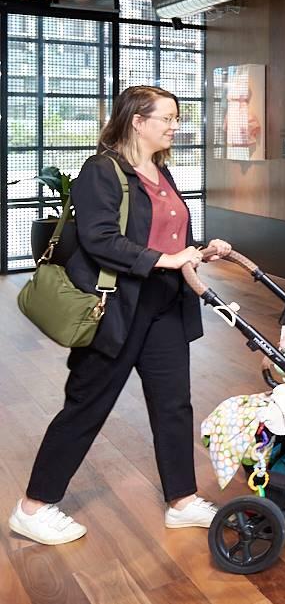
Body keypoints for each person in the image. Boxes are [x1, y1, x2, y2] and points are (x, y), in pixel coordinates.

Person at [9, 85, 232, 545]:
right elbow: (100, 239)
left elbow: (164, 233)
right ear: (137, 121)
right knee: (87, 404)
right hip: (116, 308)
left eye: (176, 118)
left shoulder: (160, 170)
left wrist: (200, 249)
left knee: (173, 404)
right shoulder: (102, 171)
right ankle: (32, 507)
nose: (175, 127)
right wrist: (163, 259)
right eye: (167, 118)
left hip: (165, 305)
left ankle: (182, 500)